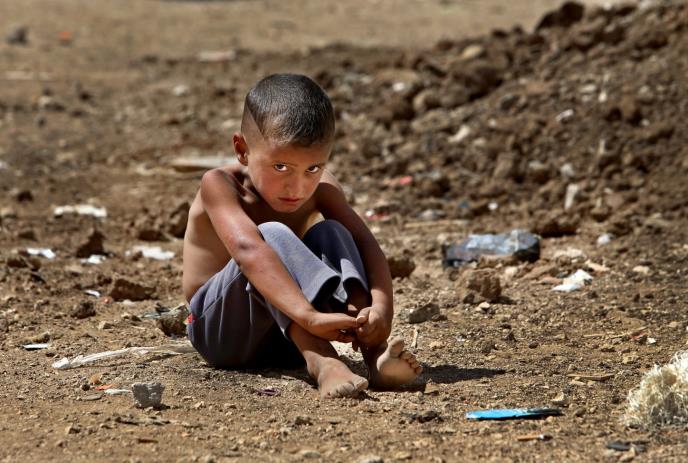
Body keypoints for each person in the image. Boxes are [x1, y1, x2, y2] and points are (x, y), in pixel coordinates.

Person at [182, 73, 422, 398]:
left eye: (313, 168)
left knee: (333, 232)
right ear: (242, 150)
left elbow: (366, 244)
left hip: (288, 336)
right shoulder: (221, 185)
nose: (297, 187)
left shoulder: (323, 189)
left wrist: (380, 309)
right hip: (222, 333)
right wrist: (308, 317)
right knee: (270, 234)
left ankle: (375, 354)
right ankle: (323, 362)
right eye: (280, 167)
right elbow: (248, 250)